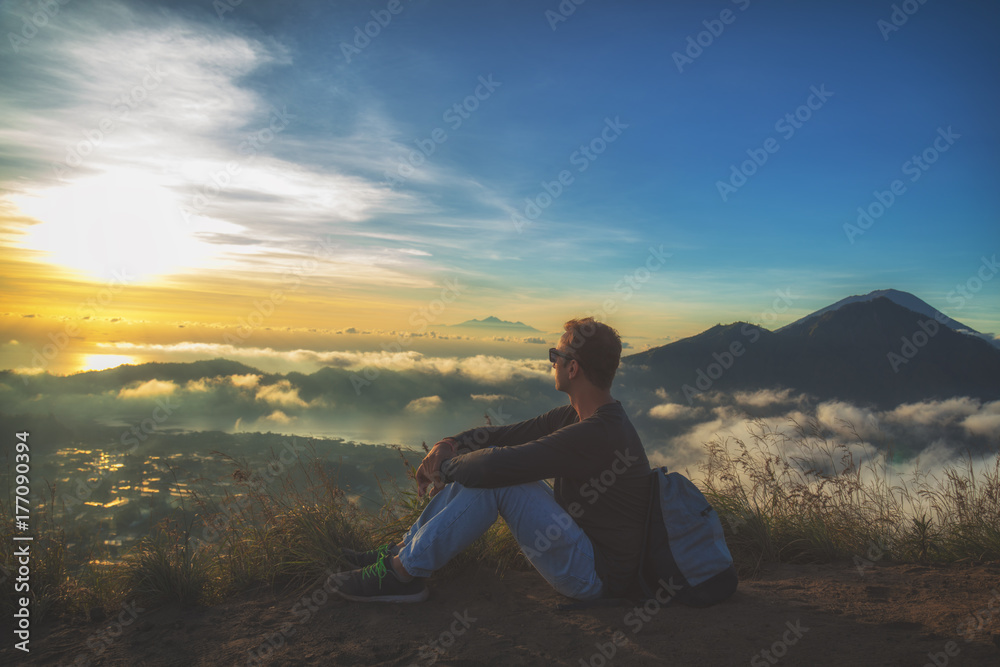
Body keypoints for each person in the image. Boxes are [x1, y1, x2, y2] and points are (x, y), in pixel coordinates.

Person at [332, 317, 652, 603]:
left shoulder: (597, 432)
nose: (551, 362)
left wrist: (443, 467)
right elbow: (502, 436)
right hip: (585, 552)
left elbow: (490, 466)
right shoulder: (580, 416)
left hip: (595, 577)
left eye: (556, 356)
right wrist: (448, 444)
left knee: (498, 482)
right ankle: (402, 552)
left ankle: (401, 574)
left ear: (573, 368)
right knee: (496, 471)